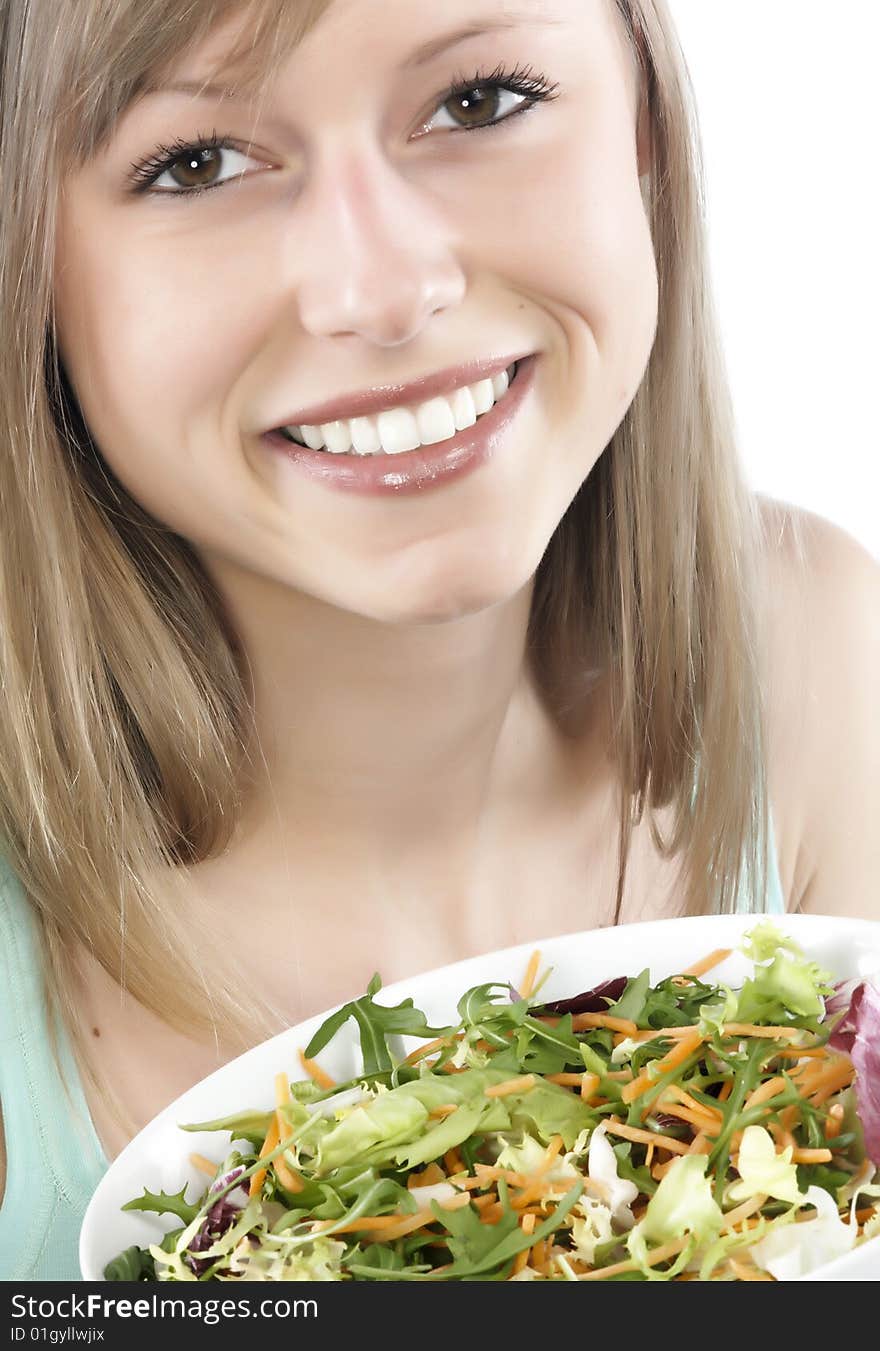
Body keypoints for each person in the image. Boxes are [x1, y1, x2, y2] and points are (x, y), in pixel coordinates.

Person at [0, 0, 876, 1282]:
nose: (387, 291)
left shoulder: (817, 650)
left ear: (644, 128)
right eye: (194, 163)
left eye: (481, 102)